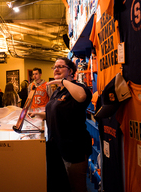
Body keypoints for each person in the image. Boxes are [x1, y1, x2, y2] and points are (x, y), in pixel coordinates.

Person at [30, 57, 92, 192]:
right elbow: (54, 113)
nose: (56, 69)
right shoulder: (58, 91)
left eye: (60, 66)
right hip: (56, 148)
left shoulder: (79, 87)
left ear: (70, 71)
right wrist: (37, 115)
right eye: (54, 67)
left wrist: (62, 81)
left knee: (76, 187)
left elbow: (82, 97)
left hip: (73, 149)